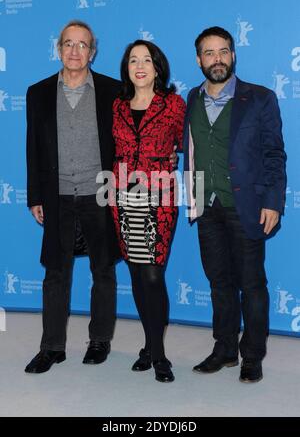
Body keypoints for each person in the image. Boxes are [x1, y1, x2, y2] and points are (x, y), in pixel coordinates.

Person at [183, 26, 286, 383]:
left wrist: (273, 201)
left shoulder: (259, 98)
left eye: (223, 51)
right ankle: (225, 348)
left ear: (233, 56)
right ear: (199, 60)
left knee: (252, 285)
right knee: (218, 282)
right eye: (209, 53)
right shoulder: (192, 99)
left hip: (247, 206)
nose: (217, 59)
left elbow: (274, 154)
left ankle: (252, 355)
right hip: (207, 206)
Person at [25, 20, 121, 373]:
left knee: (103, 270)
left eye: (83, 45)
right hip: (57, 195)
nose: (75, 51)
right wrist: (35, 195)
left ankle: (100, 340)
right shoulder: (37, 92)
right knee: (55, 273)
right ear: (58, 48)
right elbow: (32, 148)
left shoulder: (113, 90)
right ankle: (51, 347)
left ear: (92, 52)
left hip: (101, 194)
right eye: (68, 44)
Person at [110, 40, 186, 382]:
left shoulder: (174, 104)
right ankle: (149, 345)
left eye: (146, 60)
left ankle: (159, 355)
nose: (139, 65)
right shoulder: (117, 106)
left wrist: (173, 157)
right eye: (132, 60)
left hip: (158, 198)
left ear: (158, 67)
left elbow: (187, 144)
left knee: (153, 275)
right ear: (127, 68)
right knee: (137, 275)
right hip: (123, 197)